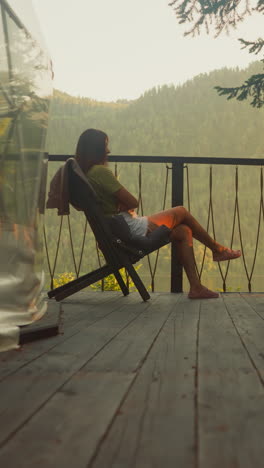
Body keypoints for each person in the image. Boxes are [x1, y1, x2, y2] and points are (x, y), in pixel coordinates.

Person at [75, 128, 241, 299]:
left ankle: (196, 287)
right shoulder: (100, 172)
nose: (108, 151)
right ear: (95, 149)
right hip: (130, 230)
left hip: (118, 232)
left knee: (183, 231)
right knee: (181, 211)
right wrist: (123, 205)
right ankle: (218, 249)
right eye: (105, 146)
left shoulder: (85, 174)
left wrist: (118, 205)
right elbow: (133, 202)